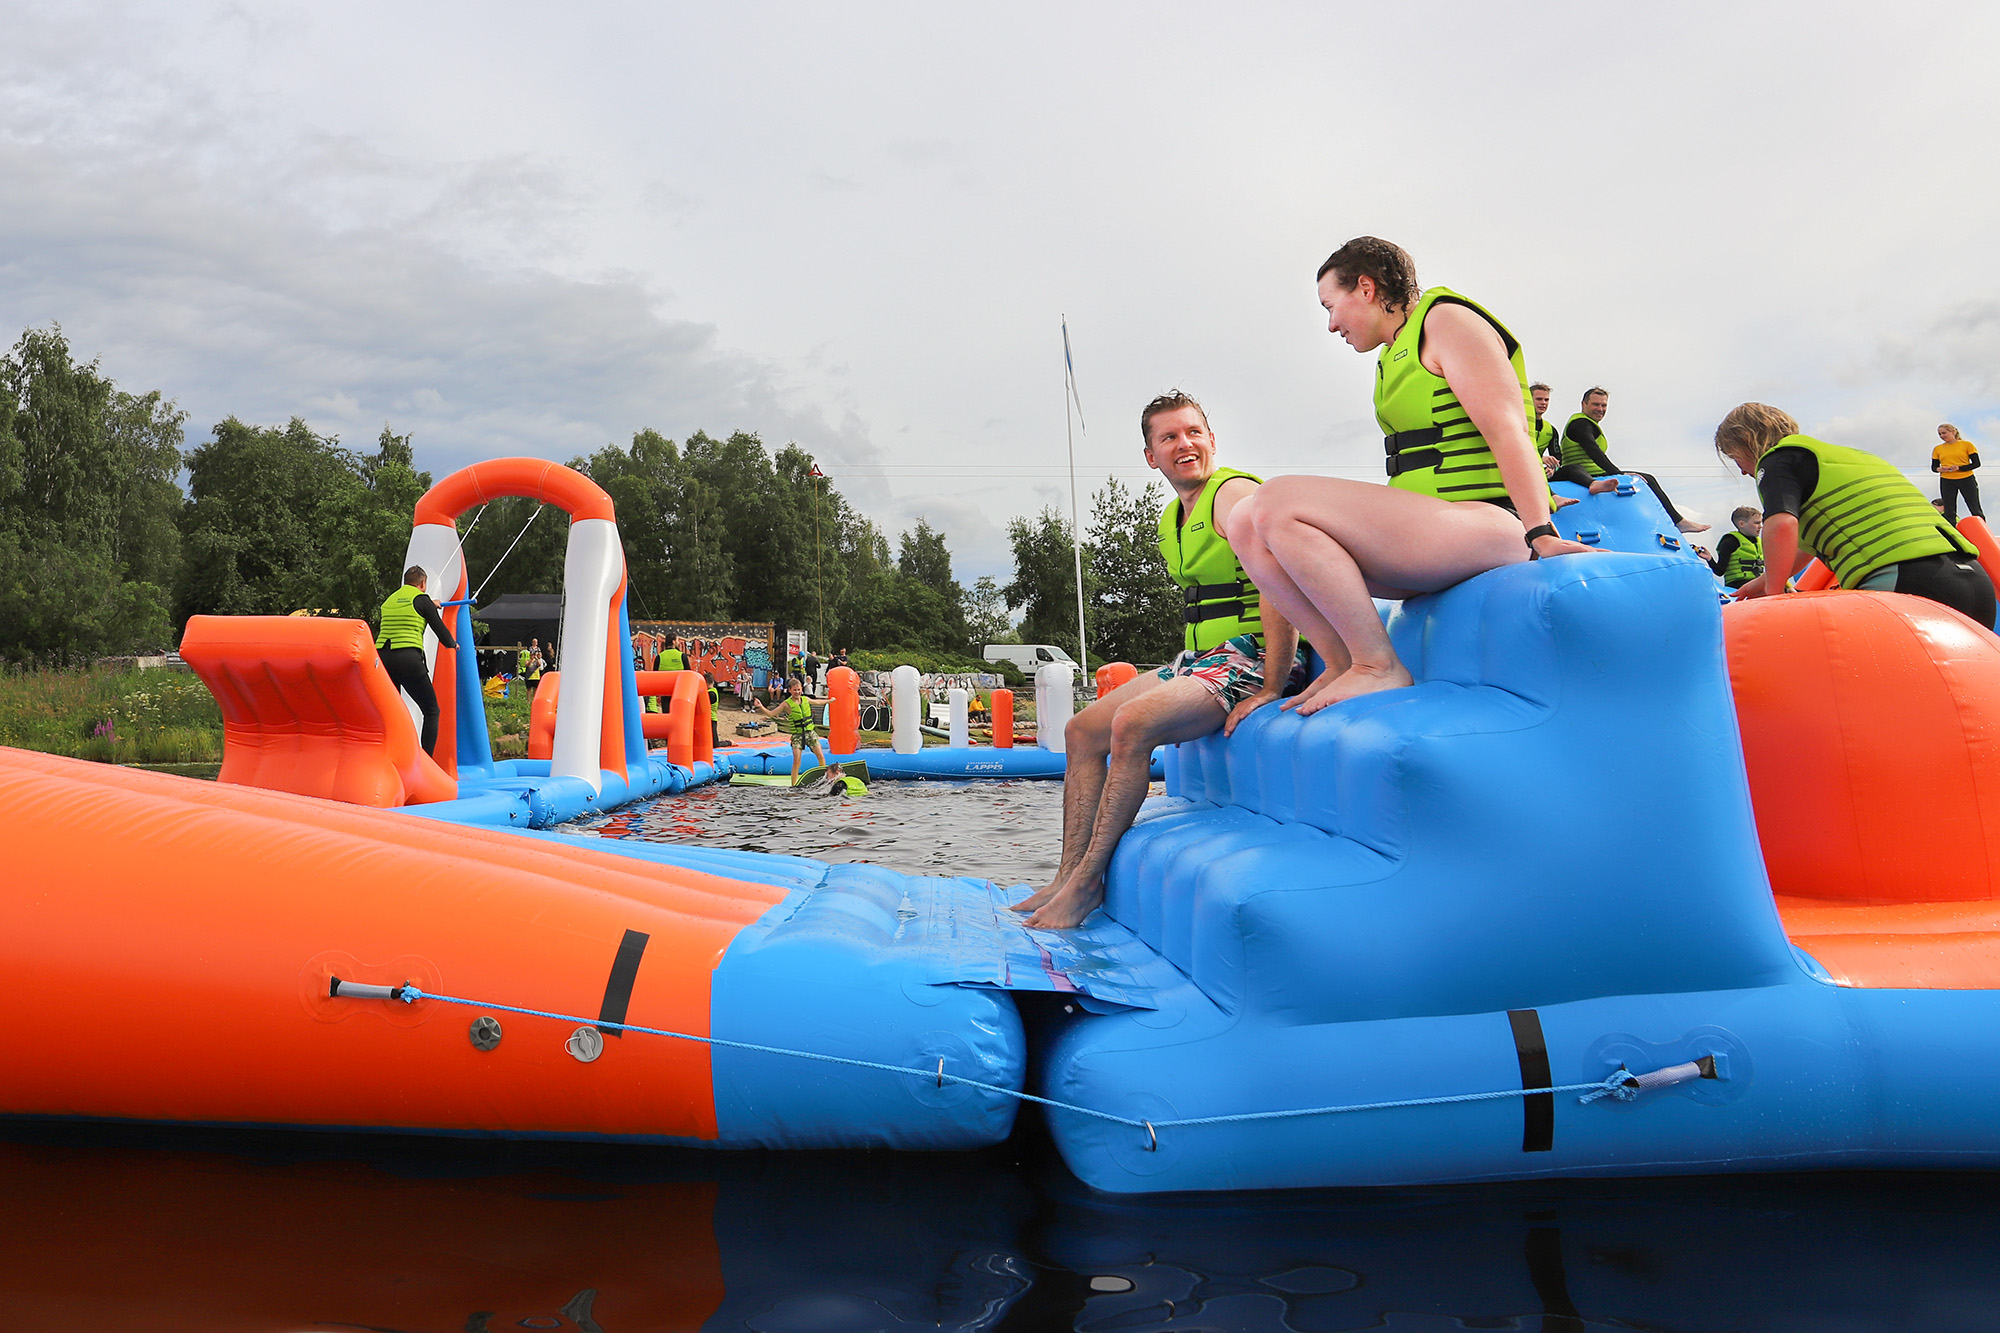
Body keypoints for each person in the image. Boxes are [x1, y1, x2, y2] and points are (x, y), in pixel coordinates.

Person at [1226, 236, 1597, 719]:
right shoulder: (1391, 354)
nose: (1331, 323)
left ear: (1365, 288)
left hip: (1489, 524)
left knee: (1276, 499)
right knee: (1242, 521)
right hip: (1431, 538)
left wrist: (1541, 533)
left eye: (1331, 306)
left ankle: (1378, 664)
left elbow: (1507, 429)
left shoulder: (1447, 321)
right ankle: (1341, 662)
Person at [1013, 391, 1304, 930]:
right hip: (1200, 659)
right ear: (1151, 456)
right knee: (1081, 731)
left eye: (1194, 432)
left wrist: (1274, 681)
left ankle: (1087, 883)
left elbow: (1277, 584)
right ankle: (1065, 872)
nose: (1184, 444)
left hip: (1252, 656)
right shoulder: (1173, 517)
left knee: (1133, 723)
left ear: (1212, 440)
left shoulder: (1233, 495)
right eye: (1169, 438)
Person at [1716, 402, 1995, 623]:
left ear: (1746, 441)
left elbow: (1782, 525)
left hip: (1909, 580)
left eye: (1735, 457)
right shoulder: (1850, 457)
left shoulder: (1776, 459)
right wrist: (1763, 582)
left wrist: (1772, 595)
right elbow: (1807, 547)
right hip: (1975, 581)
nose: (1741, 469)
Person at [1558, 388, 1707, 532]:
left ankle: (1678, 522)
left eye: (1604, 405)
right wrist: (1618, 474)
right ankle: (1679, 522)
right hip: (1587, 476)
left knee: (1648, 478)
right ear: (1583, 404)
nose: (1600, 409)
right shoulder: (1581, 424)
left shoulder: (1586, 423)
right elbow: (1593, 450)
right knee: (1647, 479)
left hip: (1595, 473)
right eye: (1595, 404)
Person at [374, 565, 457, 757]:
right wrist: (452, 644)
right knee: (431, 710)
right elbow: (439, 628)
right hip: (408, 658)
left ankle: (389, 755)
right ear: (423, 583)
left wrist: (430, 604)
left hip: (382, 658)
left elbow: (413, 608)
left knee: (391, 711)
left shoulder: (390, 600)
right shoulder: (422, 599)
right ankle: (425, 761)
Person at [752, 676, 835, 780]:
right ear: (790, 690)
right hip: (797, 735)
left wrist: (829, 700)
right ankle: (794, 785)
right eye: (795, 690)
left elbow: (818, 702)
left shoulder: (806, 699)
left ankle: (823, 779)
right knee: (797, 760)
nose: (797, 692)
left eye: (799, 690)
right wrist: (761, 706)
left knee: (821, 756)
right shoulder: (786, 704)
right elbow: (772, 714)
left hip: (810, 732)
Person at [1933, 423, 1984, 523]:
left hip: (1966, 478)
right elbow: (1934, 467)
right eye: (1939, 434)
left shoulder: (1967, 445)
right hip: (1947, 481)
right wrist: (1940, 469)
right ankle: (1952, 534)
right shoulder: (1937, 449)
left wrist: (1959, 468)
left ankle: (1983, 532)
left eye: (1944, 433)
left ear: (1953, 431)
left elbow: (1976, 463)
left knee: (1974, 507)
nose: (1942, 436)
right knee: (1949, 509)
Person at [1708, 506, 1765, 590]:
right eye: (1756, 523)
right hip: (1737, 586)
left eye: (1760, 523)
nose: (1760, 526)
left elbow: (1774, 568)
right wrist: (1709, 559)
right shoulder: (1730, 542)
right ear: (1741, 524)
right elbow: (1719, 571)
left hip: (1758, 583)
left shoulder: (1760, 542)